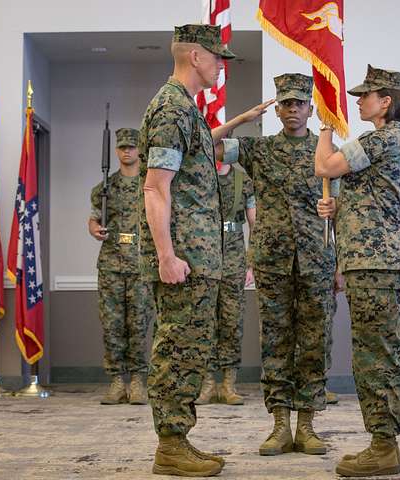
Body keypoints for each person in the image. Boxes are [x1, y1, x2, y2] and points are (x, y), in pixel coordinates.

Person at [212, 73, 339, 456]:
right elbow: (207, 142)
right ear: (277, 107)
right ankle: (280, 425)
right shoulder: (259, 149)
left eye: (299, 103)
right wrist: (241, 119)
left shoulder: (328, 154)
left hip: (317, 260)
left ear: (310, 108)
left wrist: (340, 262)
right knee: (276, 343)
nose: (292, 110)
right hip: (271, 260)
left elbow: (343, 212)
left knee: (315, 344)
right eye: (285, 103)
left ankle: (308, 426)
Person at [137, 24, 237, 477]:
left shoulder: (187, 110)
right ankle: (170, 445)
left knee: (191, 348)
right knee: (178, 348)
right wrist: (166, 256)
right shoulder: (172, 109)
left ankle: (178, 439)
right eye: (218, 58)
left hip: (199, 258)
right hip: (184, 260)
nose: (221, 65)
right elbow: (156, 188)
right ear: (196, 56)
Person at [315, 65, 400, 477]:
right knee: (371, 355)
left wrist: (325, 125)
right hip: (370, 261)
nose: (358, 102)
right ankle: (381, 441)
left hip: (377, 263)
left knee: (376, 357)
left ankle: (384, 446)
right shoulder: (384, 141)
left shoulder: (384, 137)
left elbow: (325, 167)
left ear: (386, 102)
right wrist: (339, 209)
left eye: (366, 95)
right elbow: (368, 196)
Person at [88, 128, 154, 406]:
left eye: (131, 147)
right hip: (112, 263)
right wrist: (94, 229)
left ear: (140, 150)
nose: (127, 151)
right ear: (116, 151)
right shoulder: (104, 188)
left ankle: (138, 381)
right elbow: (93, 219)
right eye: (122, 147)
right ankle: (117, 380)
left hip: (140, 262)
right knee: (112, 325)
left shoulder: (150, 184)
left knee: (139, 325)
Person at [195, 162, 256, 406]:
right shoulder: (200, 177)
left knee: (232, 321)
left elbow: (255, 224)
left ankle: (229, 384)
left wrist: (251, 263)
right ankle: (207, 383)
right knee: (205, 320)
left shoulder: (243, 181)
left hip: (234, 258)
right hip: (204, 258)